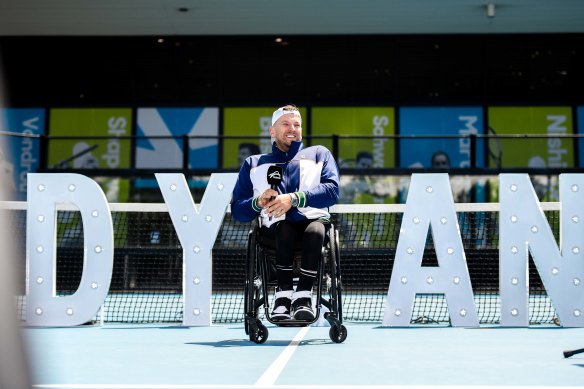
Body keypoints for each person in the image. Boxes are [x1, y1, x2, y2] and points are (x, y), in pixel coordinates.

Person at [231, 105, 340, 321]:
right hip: (275, 232)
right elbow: (238, 211)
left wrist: (293, 198)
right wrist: (258, 201)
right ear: (272, 131)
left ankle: (303, 298)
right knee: (284, 227)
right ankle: (282, 297)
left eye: (297, 125)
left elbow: (332, 191)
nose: (292, 129)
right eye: (286, 124)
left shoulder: (320, 154)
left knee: (316, 229)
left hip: (313, 226)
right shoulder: (253, 164)